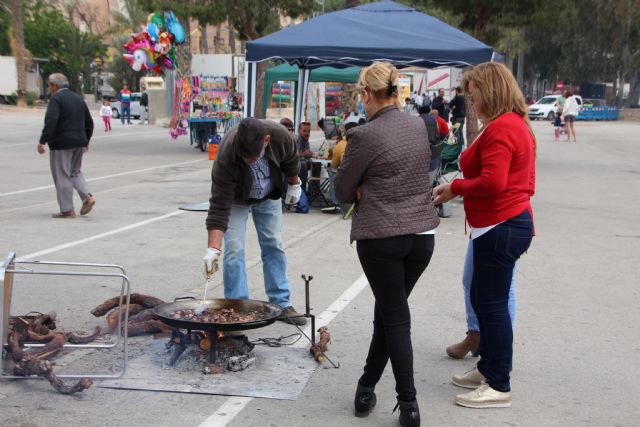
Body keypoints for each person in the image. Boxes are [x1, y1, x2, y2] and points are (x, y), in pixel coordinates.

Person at [334, 61, 440, 427]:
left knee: (394, 318)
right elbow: (417, 172)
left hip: (382, 237)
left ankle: (408, 404)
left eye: (360, 95)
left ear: (366, 94)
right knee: (389, 312)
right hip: (422, 237)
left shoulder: (363, 135)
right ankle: (366, 387)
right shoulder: (418, 123)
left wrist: (364, 186)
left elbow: (342, 190)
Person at [432, 62, 535, 409]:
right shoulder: (507, 124)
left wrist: (454, 187)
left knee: (492, 306)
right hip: (498, 225)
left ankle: (499, 384)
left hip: (501, 225)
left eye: (473, 93)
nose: (470, 100)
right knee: (482, 297)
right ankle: (488, 367)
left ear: (490, 90)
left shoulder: (504, 127)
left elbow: (494, 182)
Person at [203, 117, 307, 326]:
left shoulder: (281, 137)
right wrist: (212, 249)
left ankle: (281, 303)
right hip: (237, 199)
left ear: (266, 141)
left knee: (274, 244)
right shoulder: (226, 156)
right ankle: (237, 306)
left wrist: (294, 185)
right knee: (232, 250)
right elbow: (219, 205)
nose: (249, 160)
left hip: (268, 196)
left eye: (254, 156)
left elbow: (291, 161)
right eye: (245, 157)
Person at [38, 73, 95, 218]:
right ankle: (87, 197)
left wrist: (43, 140)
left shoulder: (56, 98)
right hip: (79, 142)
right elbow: (89, 122)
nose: (49, 88)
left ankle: (67, 210)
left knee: (62, 174)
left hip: (62, 143)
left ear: (55, 86)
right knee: (75, 171)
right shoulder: (78, 98)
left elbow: (51, 120)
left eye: (50, 85)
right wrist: (86, 139)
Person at [295, 121, 314, 193]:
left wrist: (311, 155)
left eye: (309, 131)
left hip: (303, 162)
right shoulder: (296, 140)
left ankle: (313, 190)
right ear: (299, 131)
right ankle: (302, 192)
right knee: (303, 165)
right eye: (305, 131)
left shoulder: (306, 141)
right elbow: (293, 156)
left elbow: (307, 156)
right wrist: (304, 154)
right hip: (293, 164)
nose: (307, 133)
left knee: (316, 164)